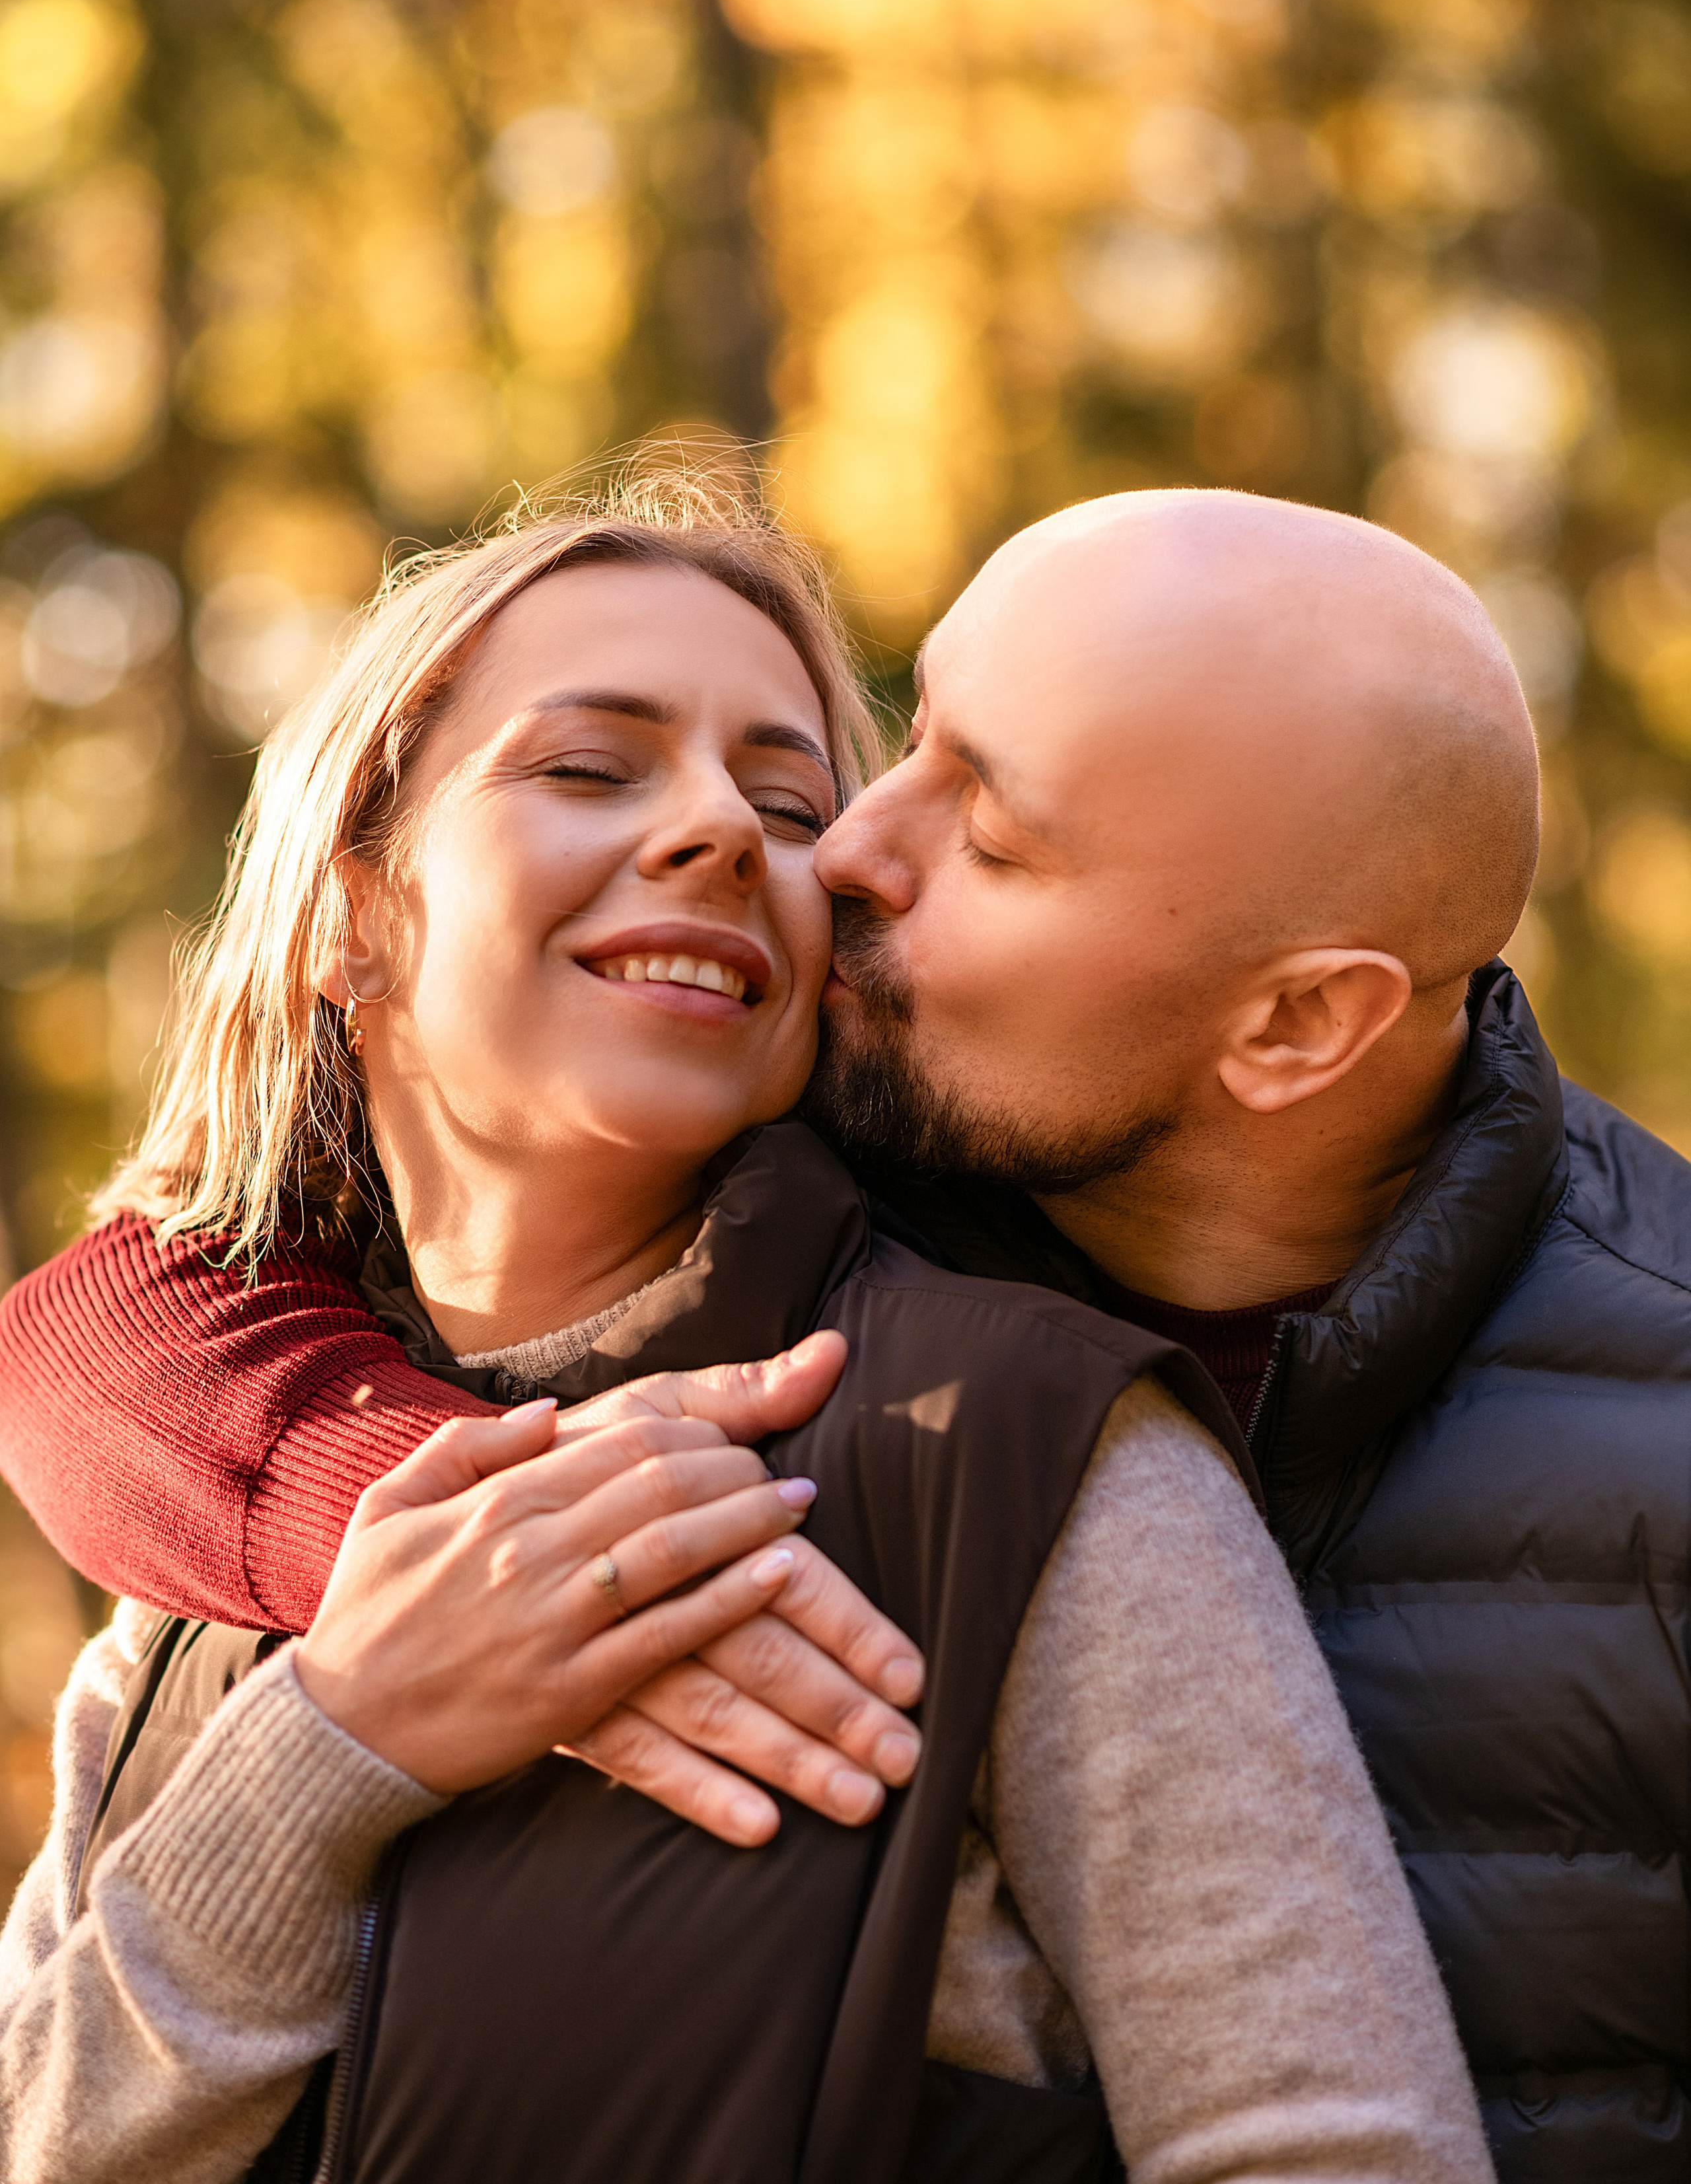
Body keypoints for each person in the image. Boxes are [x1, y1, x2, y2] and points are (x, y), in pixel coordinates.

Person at [0, 485, 1490, 2184]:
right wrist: (328, 1747)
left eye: (788, 803)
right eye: (588, 767)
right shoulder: (212, 1543)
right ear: (351, 914)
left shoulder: (1010, 1449)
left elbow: (1327, 2149)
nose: (721, 829)